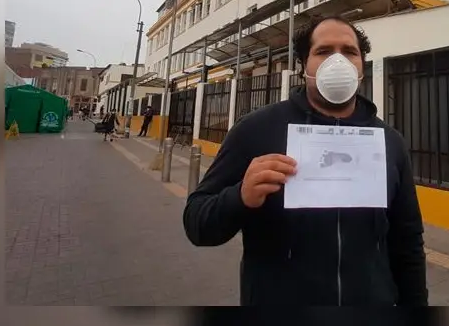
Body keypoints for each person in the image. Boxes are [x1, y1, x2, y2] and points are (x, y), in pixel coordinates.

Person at [183, 16, 428, 306]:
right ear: (303, 67)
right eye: (323, 51)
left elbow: (408, 242)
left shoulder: (389, 142)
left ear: (362, 66)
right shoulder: (255, 130)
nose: (338, 61)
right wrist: (240, 197)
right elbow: (197, 223)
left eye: (349, 52)